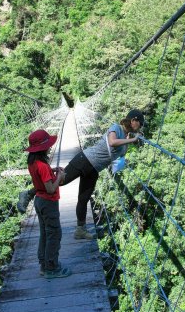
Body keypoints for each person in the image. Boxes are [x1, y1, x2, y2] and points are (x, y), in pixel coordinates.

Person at [17, 109, 145, 240]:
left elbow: (119, 155)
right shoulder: (116, 128)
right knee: (60, 181)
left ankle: (80, 230)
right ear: (133, 120)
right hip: (85, 159)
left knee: (84, 199)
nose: (140, 127)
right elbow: (112, 142)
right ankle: (28, 194)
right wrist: (132, 140)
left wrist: (129, 139)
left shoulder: (126, 136)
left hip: (95, 169)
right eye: (140, 123)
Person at [25, 129, 71, 279]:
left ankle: (44, 265)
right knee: (54, 234)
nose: (50, 147)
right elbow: (51, 189)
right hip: (48, 202)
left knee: (45, 233)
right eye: (48, 145)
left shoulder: (33, 163)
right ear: (43, 148)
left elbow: (41, 176)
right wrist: (59, 176)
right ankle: (52, 268)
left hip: (39, 200)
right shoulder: (43, 166)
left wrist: (52, 171)